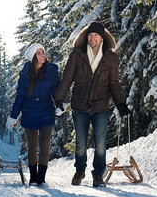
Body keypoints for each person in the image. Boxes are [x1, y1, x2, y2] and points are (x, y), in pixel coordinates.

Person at [54, 21, 130, 187]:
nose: (92, 38)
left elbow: (114, 84)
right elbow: (67, 78)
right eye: (90, 35)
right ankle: (80, 171)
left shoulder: (111, 57)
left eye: (95, 35)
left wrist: (121, 103)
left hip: (100, 106)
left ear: (102, 38)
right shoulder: (77, 54)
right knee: (81, 143)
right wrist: (59, 98)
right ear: (86, 36)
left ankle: (98, 175)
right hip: (80, 105)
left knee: (100, 143)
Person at [6, 44, 60, 187]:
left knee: (45, 145)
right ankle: (33, 178)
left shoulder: (51, 71)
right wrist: (13, 116)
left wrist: (61, 104)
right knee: (32, 146)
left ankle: (41, 178)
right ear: (32, 57)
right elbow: (20, 96)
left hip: (46, 111)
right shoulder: (25, 74)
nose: (42, 55)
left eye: (43, 52)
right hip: (29, 113)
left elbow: (56, 91)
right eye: (38, 53)